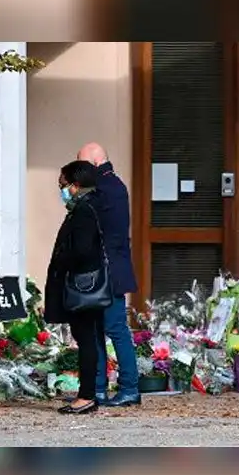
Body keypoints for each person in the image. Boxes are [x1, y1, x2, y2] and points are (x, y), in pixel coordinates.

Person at [76, 142, 141, 407]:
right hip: (107, 271)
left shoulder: (105, 190)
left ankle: (129, 388)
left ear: (93, 164)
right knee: (97, 330)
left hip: (107, 273)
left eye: (81, 166)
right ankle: (98, 389)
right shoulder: (111, 187)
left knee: (114, 329)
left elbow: (98, 231)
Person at [44, 160, 106, 415]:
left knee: (86, 339)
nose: (61, 190)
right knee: (87, 338)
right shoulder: (89, 206)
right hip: (84, 283)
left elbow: (81, 249)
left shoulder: (83, 210)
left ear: (76, 185)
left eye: (63, 185)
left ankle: (87, 396)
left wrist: (61, 260)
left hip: (82, 286)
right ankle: (88, 393)